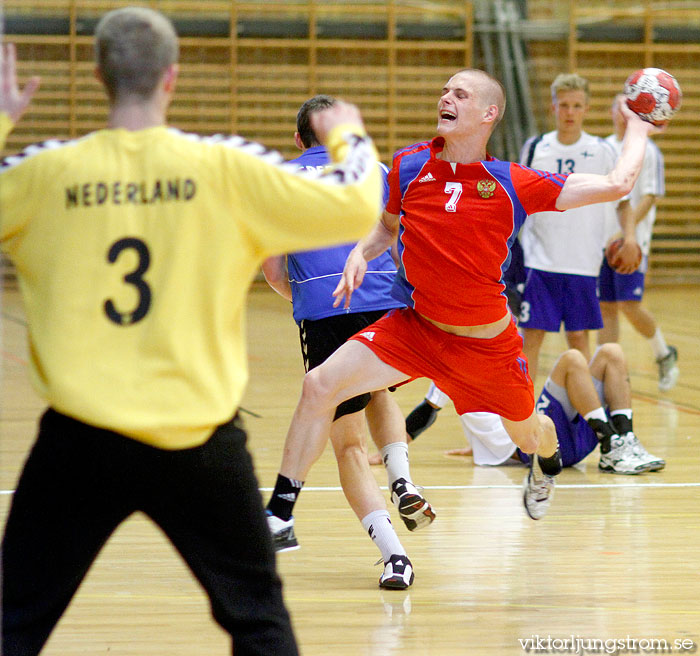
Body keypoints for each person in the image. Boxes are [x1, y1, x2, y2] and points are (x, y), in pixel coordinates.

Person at [0, 7, 384, 655]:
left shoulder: (45, 171)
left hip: (80, 441)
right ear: (172, 77)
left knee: (13, 623)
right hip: (199, 439)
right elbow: (356, 204)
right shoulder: (225, 167)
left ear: (98, 74)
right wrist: (348, 134)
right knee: (259, 623)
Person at [263, 67, 661, 535]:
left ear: (489, 114)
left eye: (460, 93)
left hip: (486, 349)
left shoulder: (512, 182)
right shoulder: (410, 165)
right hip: (417, 330)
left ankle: (548, 463)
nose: (445, 98)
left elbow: (618, 183)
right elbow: (386, 229)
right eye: (445, 90)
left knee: (531, 436)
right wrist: (360, 253)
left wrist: (637, 125)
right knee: (319, 385)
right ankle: (278, 516)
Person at [262, 95, 432, 590]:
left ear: (299, 140)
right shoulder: (377, 170)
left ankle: (395, 556)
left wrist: (308, 299)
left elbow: (273, 270)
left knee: (350, 446)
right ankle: (401, 476)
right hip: (382, 300)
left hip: (323, 311)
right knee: (379, 387)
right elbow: (404, 244)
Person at [403, 345, 665, 474]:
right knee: (572, 359)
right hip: (535, 447)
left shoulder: (507, 354)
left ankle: (622, 440)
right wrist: (392, 449)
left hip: (554, 439)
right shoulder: (454, 366)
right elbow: (427, 412)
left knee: (612, 352)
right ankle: (611, 443)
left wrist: (480, 444)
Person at [518, 73, 622, 383]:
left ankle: (583, 413)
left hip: (583, 262)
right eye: (564, 105)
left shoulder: (602, 150)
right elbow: (521, 200)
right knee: (531, 337)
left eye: (577, 105)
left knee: (579, 340)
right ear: (553, 107)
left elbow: (622, 199)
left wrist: (628, 236)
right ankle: (525, 411)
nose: (570, 112)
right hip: (540, 260)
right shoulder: (536, 148)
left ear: (587, 109)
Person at [598, 94, 679, 392]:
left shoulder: (649, 151)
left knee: (629, 304)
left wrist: (626, 233)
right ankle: (606, 370)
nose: (622, 114)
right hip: (601, 242)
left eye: (627, 109)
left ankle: (663, 352)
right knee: (605, 306)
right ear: (610, 112)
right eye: (618, 108)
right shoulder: (603, 148)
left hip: (631, 242)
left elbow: (649, 195)